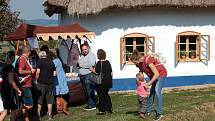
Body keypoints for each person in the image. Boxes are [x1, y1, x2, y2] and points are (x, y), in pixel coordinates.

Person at [130, 49, 167, 121]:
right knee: (152, 93)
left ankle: (159, 113)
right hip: (153, 76)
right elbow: (141, 73)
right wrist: (139, 80)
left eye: (135, 62)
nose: (135, 64)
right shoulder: (139, 64)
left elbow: (157, 74)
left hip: (161, 74)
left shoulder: (148, 60)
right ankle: (148, 110)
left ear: (138, 59)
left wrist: (148, 84)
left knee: (157, 91)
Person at [89, 49, 113, 115]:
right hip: (108, 81)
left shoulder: (99, 63)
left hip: (101, 82)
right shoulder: (108, 62)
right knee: (106, 94)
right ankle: (109, 108)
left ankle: (102, 110)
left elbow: (97, 72)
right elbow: (111, 72)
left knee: (101, 96)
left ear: (98, 56)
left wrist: (91, 69)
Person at [0, 51, 22, 121]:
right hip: (9, 92)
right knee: (13, 110)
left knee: (6, 111)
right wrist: (18, 89)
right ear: (12, 58)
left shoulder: (4, 66)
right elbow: (11, 81)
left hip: (3, 91)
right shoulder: (10, 67)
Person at [35, 51, 56, 120]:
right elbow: (54, 74)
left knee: (39, 99)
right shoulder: (51, 61)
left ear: (39, 56)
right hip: (50, 83)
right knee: (49, 100)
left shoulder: (39, 61)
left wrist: (36, 80)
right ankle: (49, 115)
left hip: (41, 83)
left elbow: (38, 72)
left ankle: (38, 116)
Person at [18, 47, 35, 121]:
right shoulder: (22, 59)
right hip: (25, 85)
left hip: (26, 84)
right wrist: (30, 72)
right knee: (30, 104)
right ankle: (17, 114)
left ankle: (26, 119)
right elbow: (20, 71)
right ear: (28, 52)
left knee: (26, 104)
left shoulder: (24, 59)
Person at [78, 43, 97, 110]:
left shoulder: (91, 55)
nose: (84, 51)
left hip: (89, 75)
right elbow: (79, 63)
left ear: (88, 48)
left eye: (85, 49)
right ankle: (89, 103)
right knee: (86, 91)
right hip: (82, 75)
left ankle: (92, 105)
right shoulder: (82, 56)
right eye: (83, 50)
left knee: (89, 90)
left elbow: (91, 64)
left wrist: (82, 65)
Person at [50, 50, 69, 115]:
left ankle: (61, 107)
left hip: (57, 78)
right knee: (61, 94)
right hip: (60, 77)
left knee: (58, 94)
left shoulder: (54, 61)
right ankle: (63, 107)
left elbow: (53, 72)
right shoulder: (57, 59)